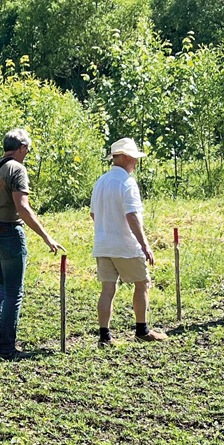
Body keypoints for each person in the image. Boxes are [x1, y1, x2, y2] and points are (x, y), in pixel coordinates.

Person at [0, 128, 65, 358]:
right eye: (28, 149)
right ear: (22, 148)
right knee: (14, 291)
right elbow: (22, 207)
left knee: (4, 285)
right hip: (8, 233)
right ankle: (6, 348)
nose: (27, 153)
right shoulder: (17, 169)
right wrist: (47, 237)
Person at [90, 138, 165, 346]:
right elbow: (132, 216)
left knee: (108, 289)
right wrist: (145, 244)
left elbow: (93, 214)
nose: (135, 162)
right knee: (142, 283)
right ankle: (142, 330)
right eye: (133, 158)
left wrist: (107, 228)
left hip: (103, 244)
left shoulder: (101, 181)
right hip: (126, 245)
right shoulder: (127, 183)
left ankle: (104, 337)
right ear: (124, 158)